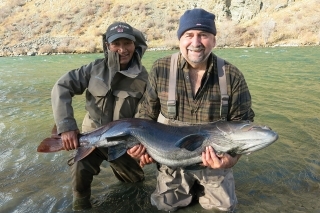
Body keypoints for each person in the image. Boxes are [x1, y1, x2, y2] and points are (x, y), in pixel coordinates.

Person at [127, 8, 255, 212]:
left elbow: (244, 126)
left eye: (203, 35)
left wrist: (231, 160)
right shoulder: (161, 68)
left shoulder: (232, 76)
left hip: (215, 163)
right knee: (164, 207)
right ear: (180, 39)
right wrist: (142, 146)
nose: (195, 43)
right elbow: (144, 117)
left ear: (214, 40)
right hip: (171, 161)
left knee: (223, 210)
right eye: (189, 35)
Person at [51, 22, 149, 211]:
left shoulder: (144, 78)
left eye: (127, 43)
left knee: (136, 184)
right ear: (107, 46)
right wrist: (66, 127)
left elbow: (145, 116)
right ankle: (81, 204)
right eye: (116, 44)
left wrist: (141, 145)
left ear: (134, 44)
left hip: (124, 142)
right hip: (91, 137)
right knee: (79, 171)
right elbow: (61, 87)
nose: (122, 49)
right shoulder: (94, 69)